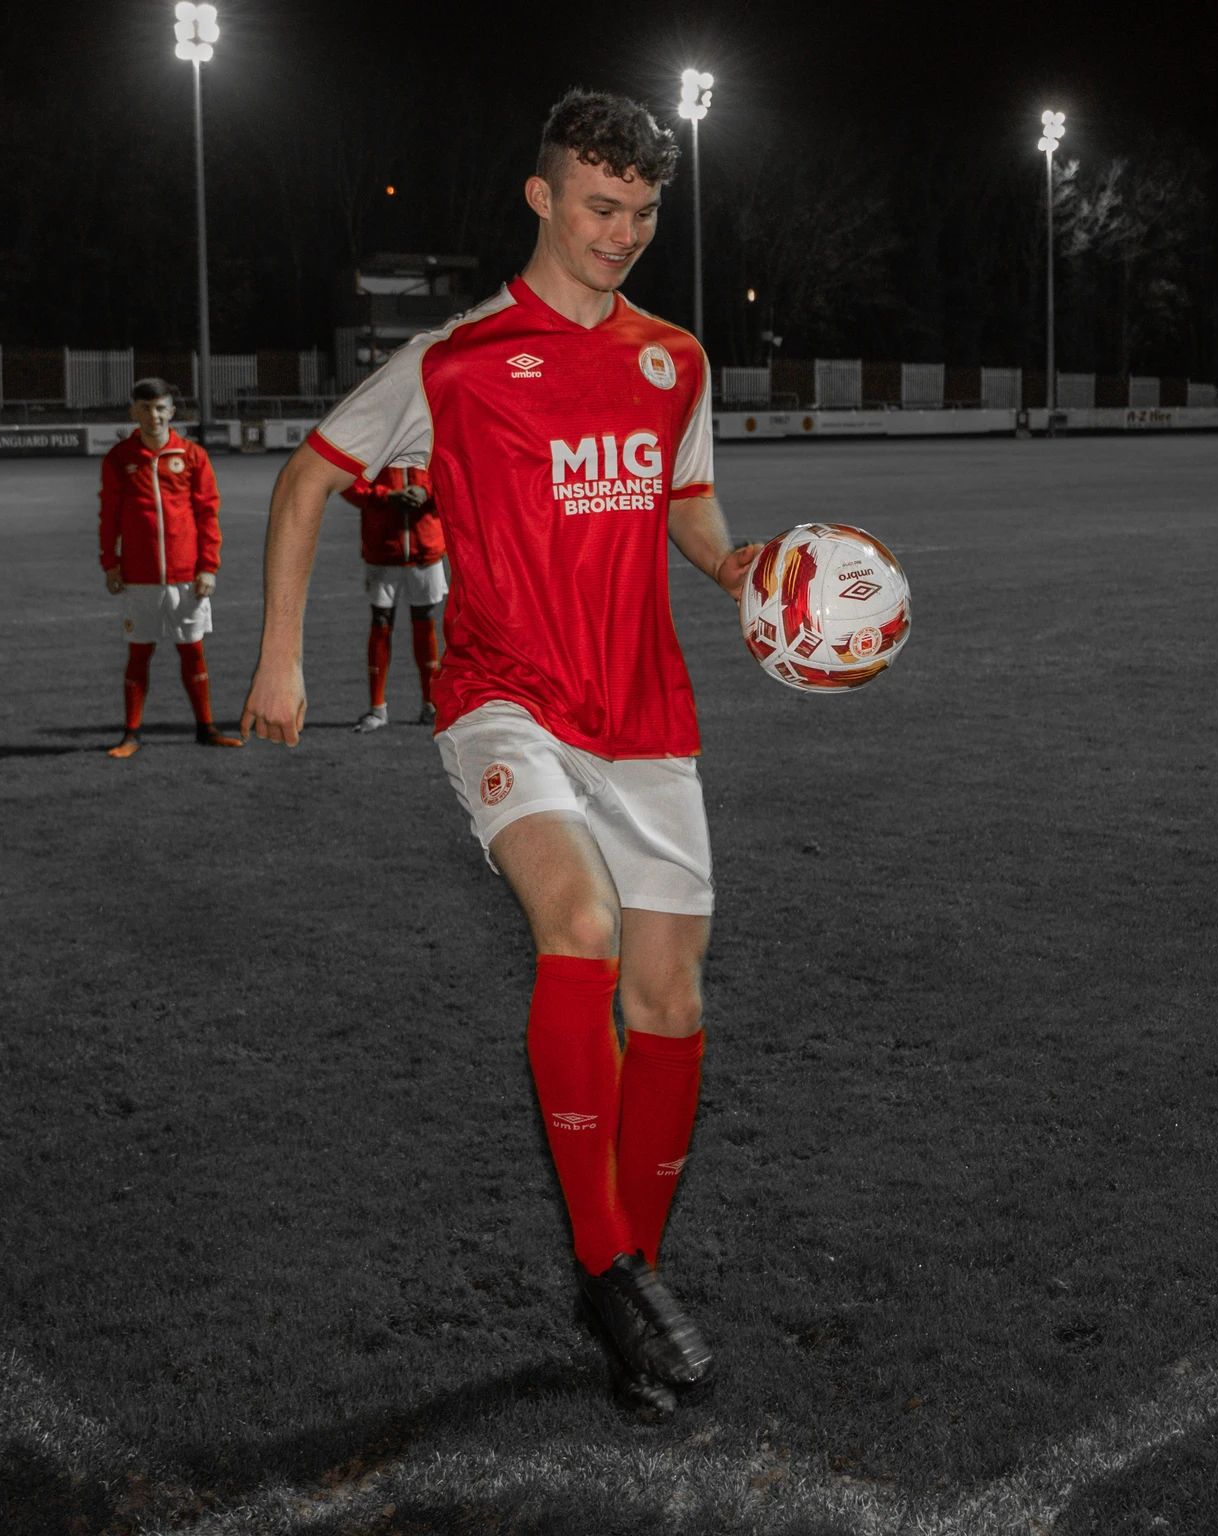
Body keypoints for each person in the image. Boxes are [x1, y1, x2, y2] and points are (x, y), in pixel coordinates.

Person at [241, 90, 765, 1422]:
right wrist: (283, 658)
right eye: (599, 206)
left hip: (643, 710)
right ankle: (606, 1267)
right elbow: (307, 480)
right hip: (504, 697)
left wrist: (736, 569)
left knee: (669, 1003)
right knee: (577, 927)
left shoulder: (675, 360)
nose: (621, 233)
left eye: (642, 212)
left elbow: (688, 502)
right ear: (541, 198)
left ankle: (634, 1298)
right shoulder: (457, 361)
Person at [99, 378, 242, 757]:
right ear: (134, 411)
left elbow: (207, 515)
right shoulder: (119, 458)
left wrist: (208, 567)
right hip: (139, 576)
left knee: (192, 651)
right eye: (146, 408)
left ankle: (206, 728)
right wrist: (110, 563)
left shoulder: (193, 455)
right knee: (138, 654)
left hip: (187, 575)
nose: (154, 415)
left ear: (172, 412)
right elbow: (109, 516)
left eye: (160, 408)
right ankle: (131, 734)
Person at [342, 465, 445, 731]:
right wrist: (387, 496)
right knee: (381, 621)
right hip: (383, 548)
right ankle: (377, 710)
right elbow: (347, 484)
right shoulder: (373, 443)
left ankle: (430, 705)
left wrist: (426, 491)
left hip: (425, 547)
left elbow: (454, 479)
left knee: (425, 619)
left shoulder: (433, 442)